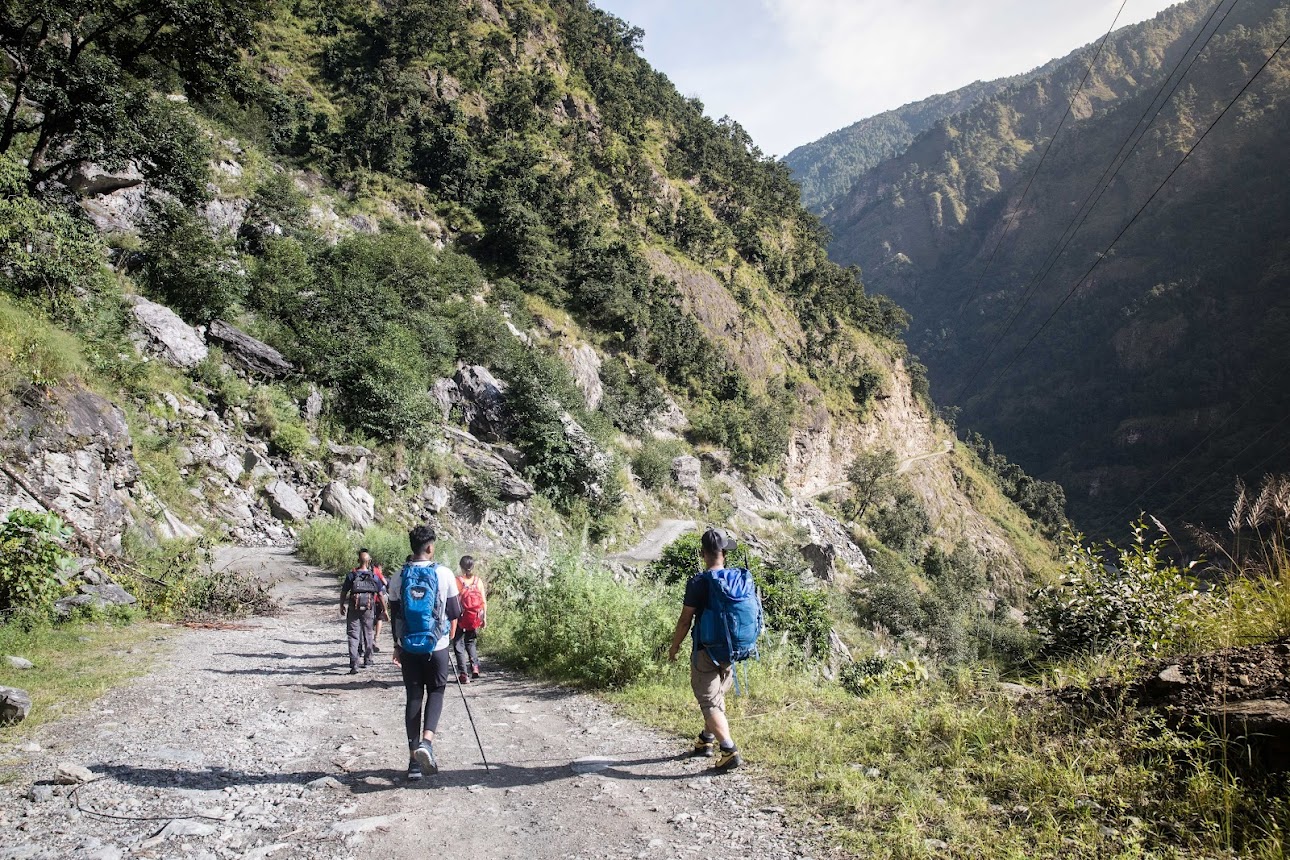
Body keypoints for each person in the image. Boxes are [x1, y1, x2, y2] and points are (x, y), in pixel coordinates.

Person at [666, 527, 742, 772]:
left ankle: (729, 750)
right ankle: (706, 740)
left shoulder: (698, 582)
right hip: (731, 650)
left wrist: (674, 646)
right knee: (715, 698)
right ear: (724, 554)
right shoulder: (737, 580)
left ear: (703, 554)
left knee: (709, 702)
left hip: (705, 651)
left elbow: (685, 621)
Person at [392, 525, 460, 780]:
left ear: (412, 546)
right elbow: (455, 612)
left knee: (413, 697)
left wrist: (397, 645)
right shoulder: (443, 573)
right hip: (437, 645)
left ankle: (413, 763)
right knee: (436, 691)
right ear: (430, 547)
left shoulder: (399, 575)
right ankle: (426, 742)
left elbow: (395, 615)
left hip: (408, 645)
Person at [340, 551, 387, 674]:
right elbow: (380, 595)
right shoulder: (374, 577)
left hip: (353, 608)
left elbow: (344, 592)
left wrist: (341, 605)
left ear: (358, 561)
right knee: (368, 633)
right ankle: (368, 660)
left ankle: (354, 663)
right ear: (369, 561)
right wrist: (385, 609)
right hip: (368, 608)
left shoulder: (352, 575)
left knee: (353, 635)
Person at [451, 555, 486, 683]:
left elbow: (453, 600)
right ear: (473, 566)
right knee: (470, 642)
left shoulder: (457, 581)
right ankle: (475, 667)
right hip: (474, 617)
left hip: (460, 618)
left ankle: (463, 674)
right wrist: (484, 618)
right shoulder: (478, 581)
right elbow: (483, 601)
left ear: (461, 567)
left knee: (458, 644)